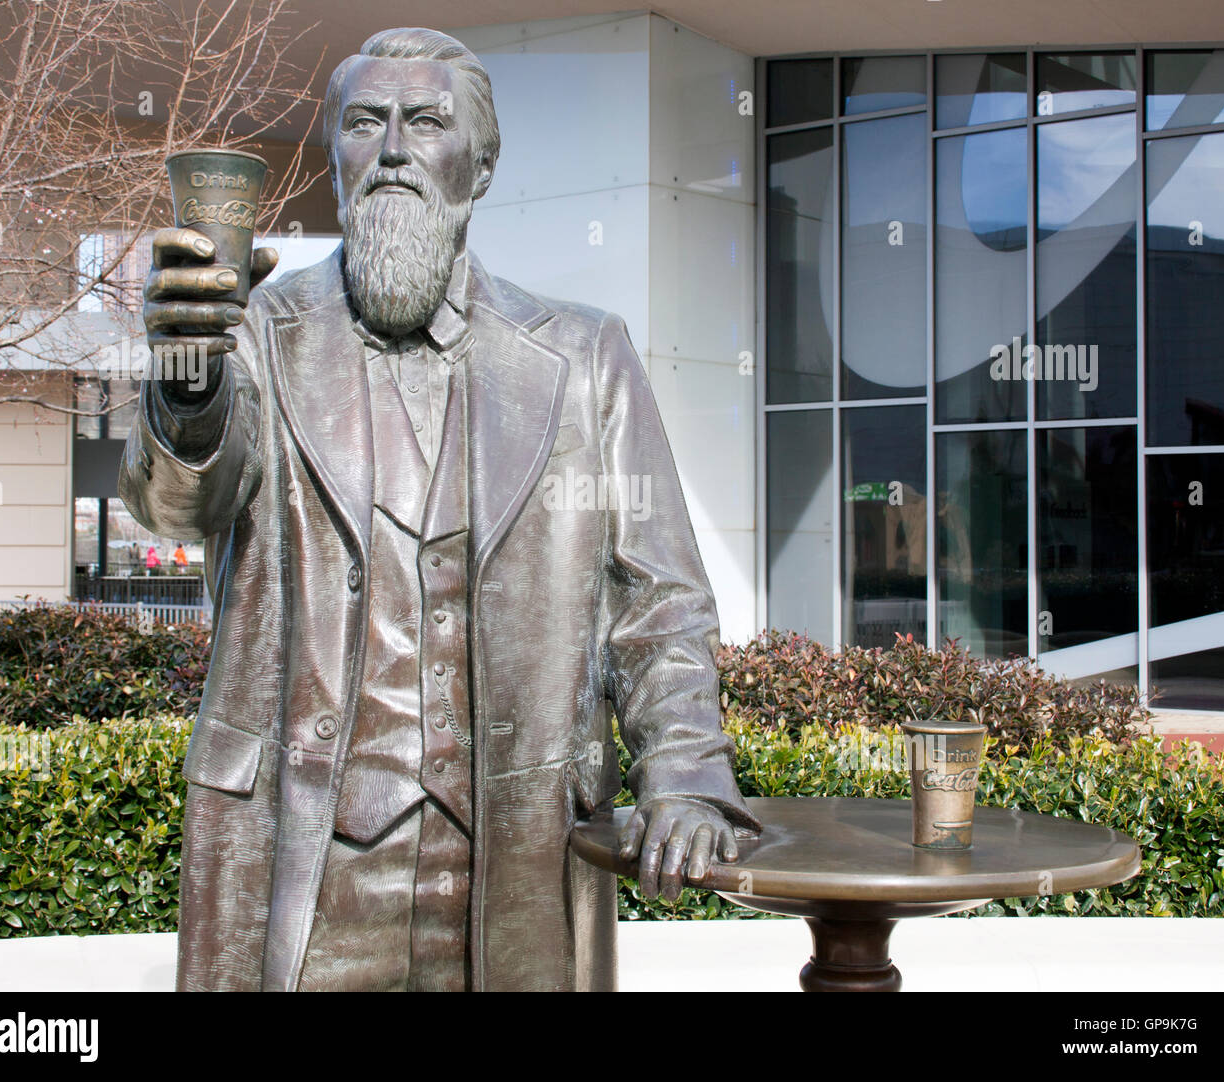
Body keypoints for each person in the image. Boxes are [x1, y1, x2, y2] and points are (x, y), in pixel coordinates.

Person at [120, 27, 758, 992]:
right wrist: (184, 375)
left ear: (484, 162)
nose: (392, 150)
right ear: (333, 155)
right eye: (364, 124)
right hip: (307, 852)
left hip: (520, 855)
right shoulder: (253, 339)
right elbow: (177, 503)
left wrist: (684, 775)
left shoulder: (585, 360)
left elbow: (659, 602)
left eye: (425, 122)